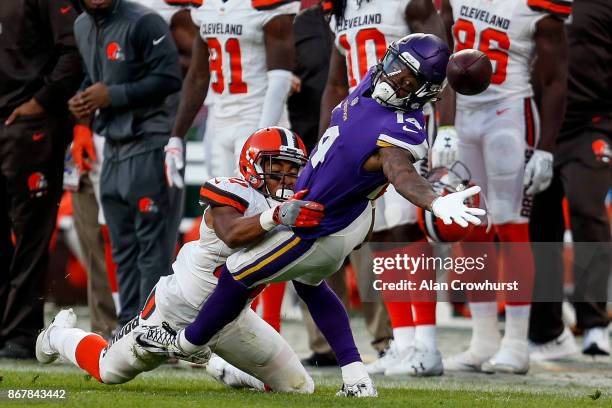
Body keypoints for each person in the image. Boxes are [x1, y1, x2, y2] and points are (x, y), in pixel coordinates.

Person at [138, 34, 485, 397]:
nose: (393, 76)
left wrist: (434, 200)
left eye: (406, 79)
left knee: (237, 270)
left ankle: (187, 344)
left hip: (321, 225)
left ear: (422, 92)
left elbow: (402, 175)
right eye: (395, 65)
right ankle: (357, 379)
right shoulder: (374, 82)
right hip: (344, 213)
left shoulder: (401, 130)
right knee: (309, 284)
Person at [36, 128, 316, 393]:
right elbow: (232, 234)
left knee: (299, 387)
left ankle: (223, 368)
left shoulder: (295, 207)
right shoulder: (235, 193)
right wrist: (277, 215)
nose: (285, 178)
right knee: (107, 370)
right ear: (250, 166)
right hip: (175, 313)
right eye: (276, 168)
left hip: (231, 318)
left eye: (293, 170)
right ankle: (57, 335)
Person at [439, 0, 570, 374]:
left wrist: (546, 149)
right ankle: (483, 339)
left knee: (512, 227)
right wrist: (445, 125)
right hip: (462, 118)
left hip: (509, 115)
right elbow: (444, 54)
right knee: (470, 227)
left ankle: (516, 341)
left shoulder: (536, 7)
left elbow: (555, 78)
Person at [320, 0, 448, 376]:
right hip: (362, 126)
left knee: (407, 227)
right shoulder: (339, 8)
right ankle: (404, 342)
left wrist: (449, 128)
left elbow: (443, 65)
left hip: (406, 121)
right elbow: (334, 81)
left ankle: (426, 344)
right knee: (384, 233)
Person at [69, 0, 185, 326]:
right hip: (114, 145)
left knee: (153, 246)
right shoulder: (81, 26)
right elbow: (97, 77)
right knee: (121, 244)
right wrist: (83, 98)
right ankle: (128, 327)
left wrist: (113, 95)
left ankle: (155, 329)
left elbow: (170, 78)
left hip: (151, 140)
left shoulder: (144, 21)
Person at [0, 0, 83, 359]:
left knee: (30, 232)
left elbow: (75, 48)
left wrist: (42, 102)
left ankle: (21, 332)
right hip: (10, 120)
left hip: (30, 124)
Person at [529, 0, 611, 360]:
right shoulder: (531, 3)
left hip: (592, 123)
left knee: (586, 207)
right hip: (541, 124)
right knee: (540, 222)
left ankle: (594, 322)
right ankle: (546, 329)